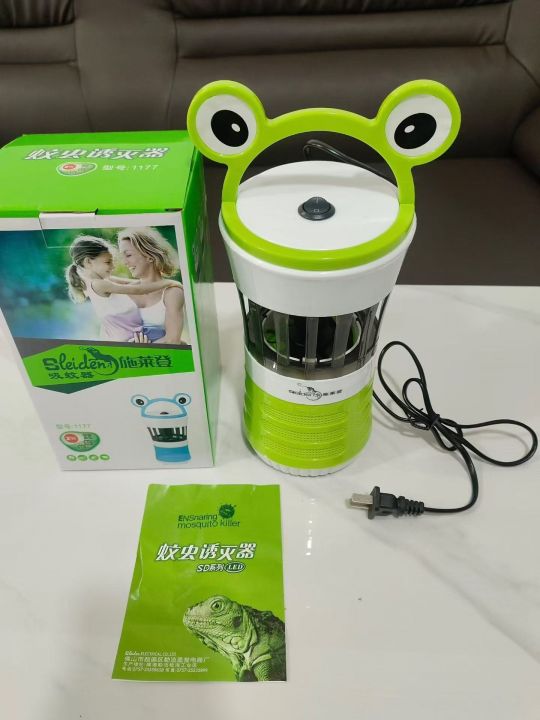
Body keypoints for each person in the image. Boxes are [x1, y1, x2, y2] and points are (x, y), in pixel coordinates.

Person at [65, 235, 181, 342]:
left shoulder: (97, 281)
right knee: (166, 336)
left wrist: (152, 282)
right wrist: (167, 283)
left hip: (128, 333)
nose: (113, 266)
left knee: (176, 340)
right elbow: (137, 290)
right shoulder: (99, 284)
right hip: (132, 336)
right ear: (88, 262)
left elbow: (132, 284)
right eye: (108, 262)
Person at [117, 227, 186, 344]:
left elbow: (173, 340)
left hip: (160, 354)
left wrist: (145, 348)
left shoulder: (172, 292)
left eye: (128, 255)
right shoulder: (125, 291)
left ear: (149, 256)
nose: (124, 262)